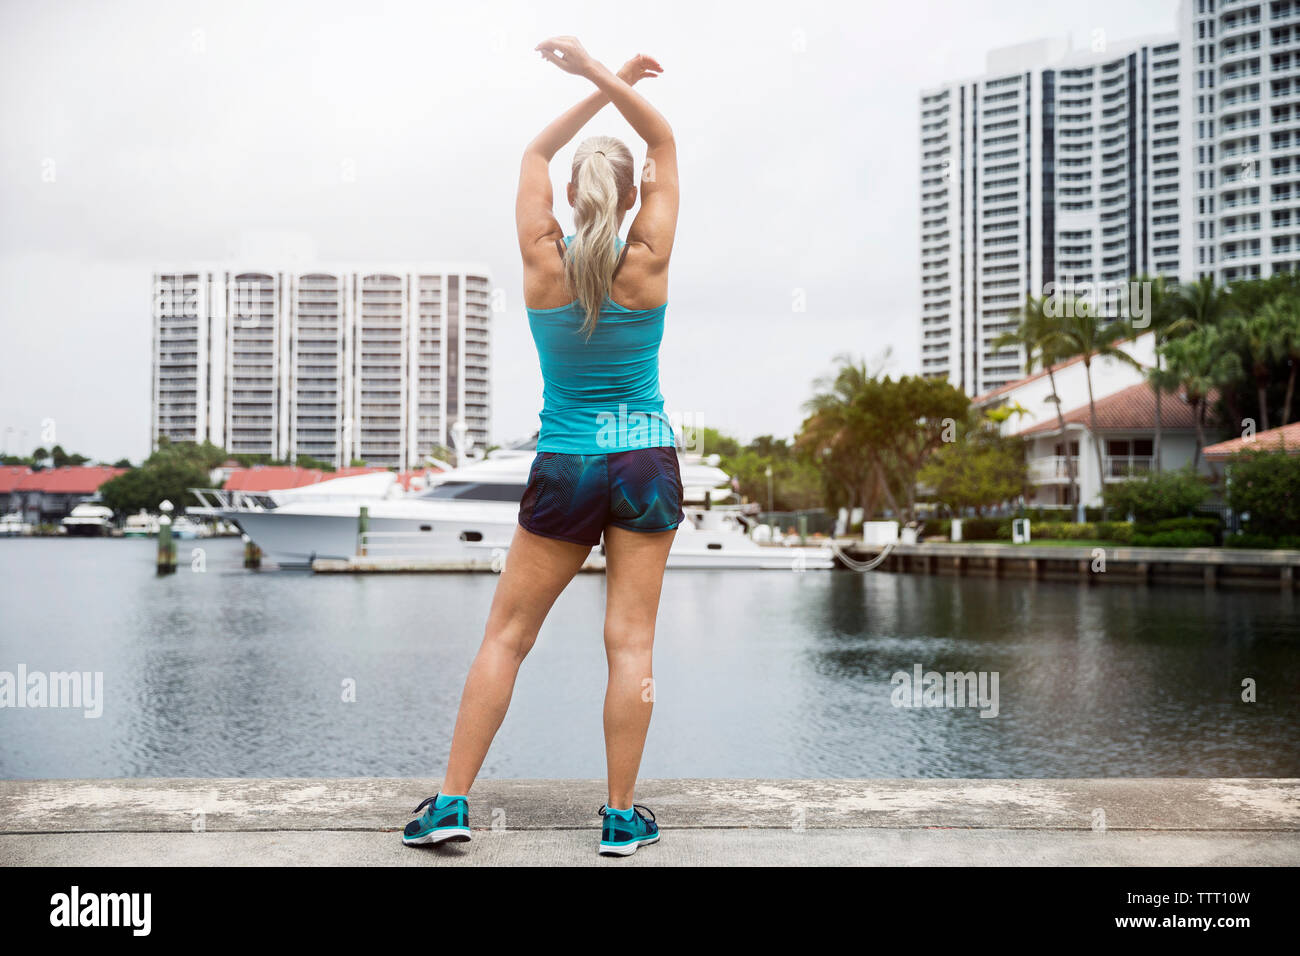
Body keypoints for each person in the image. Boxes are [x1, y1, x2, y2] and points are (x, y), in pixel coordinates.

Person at [403, 37, 681, 858]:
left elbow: (535, 149)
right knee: (630, 642)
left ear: (568, 192)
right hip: (643, 460)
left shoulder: (540, 260)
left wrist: (594, 79)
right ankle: (623, 819)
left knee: (507, 637)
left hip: (564, 461)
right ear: (634, 197)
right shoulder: (649, 258)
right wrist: (614, 76)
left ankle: (451, 805)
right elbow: (663, 142)